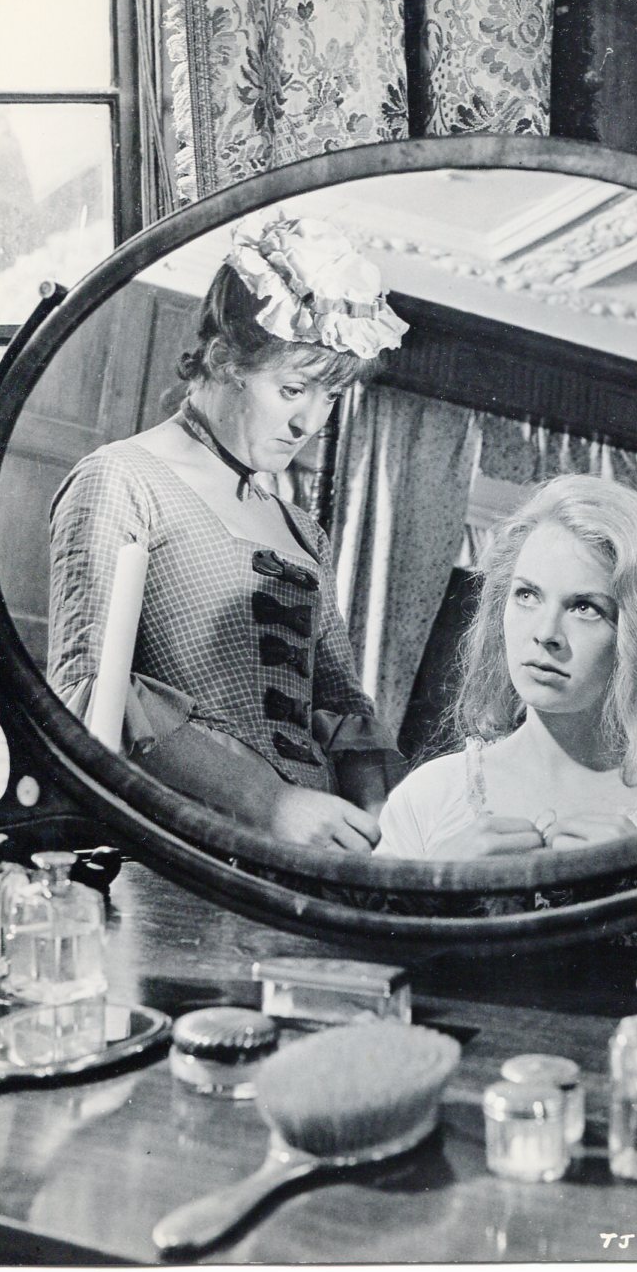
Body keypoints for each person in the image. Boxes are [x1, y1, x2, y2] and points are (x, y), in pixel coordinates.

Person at [46, 214, 408, 854]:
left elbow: (343, 710)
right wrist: (270, 802)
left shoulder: (302, 530)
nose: (308, 423)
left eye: (329, 398)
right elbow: (87, 694)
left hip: (314, 862)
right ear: (221, 361)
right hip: (181, 849)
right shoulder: (122, 478)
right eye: (292, 389)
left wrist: (381, 830)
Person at [376, 474, 637, 860]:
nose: (545, 633)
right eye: (527, 595)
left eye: (585, 607)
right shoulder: (430, 796)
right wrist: (437, 883)